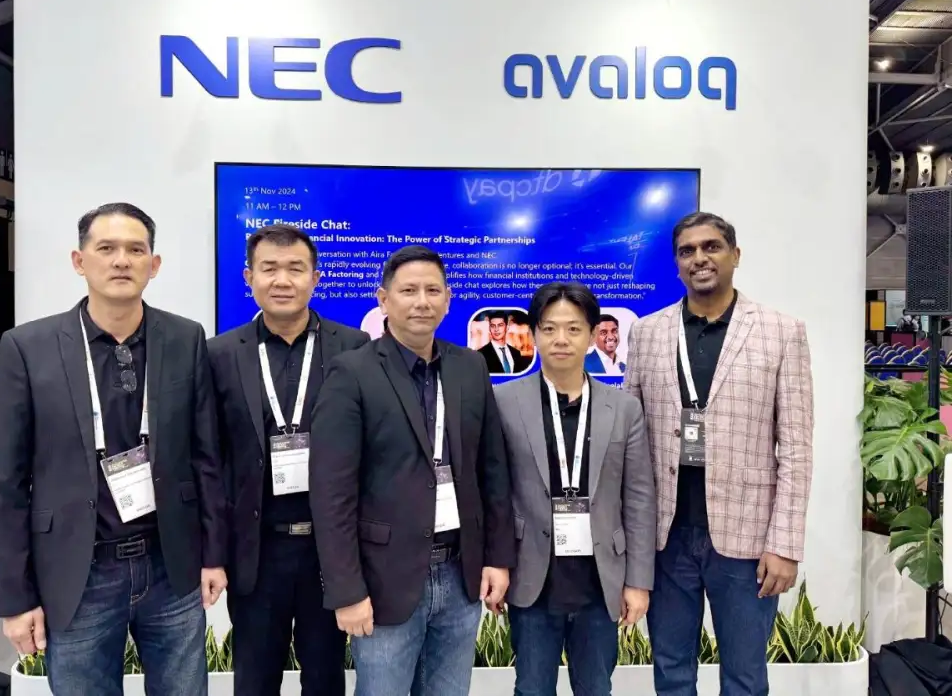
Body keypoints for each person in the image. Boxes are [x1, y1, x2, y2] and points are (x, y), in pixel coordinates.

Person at [0, 203, 228, 696]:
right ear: (80, 261)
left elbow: (207, 457)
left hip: (171, 567)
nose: (121, 260)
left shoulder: (185, 338)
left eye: (136, 250)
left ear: (153, 265)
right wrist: (16, 596)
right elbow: (6, 482)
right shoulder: (27, 347)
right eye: (107, 248)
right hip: (78, 573)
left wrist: (214, 555)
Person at [309, 245, 515, 696]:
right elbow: (331, 493)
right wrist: (346, 591)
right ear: (384, 300)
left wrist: (498, 558)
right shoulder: (352, 372)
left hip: (460, 575)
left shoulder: (470, 367)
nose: (422, 301)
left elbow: (492, 471)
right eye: (408, 291)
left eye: (432, 291)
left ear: (448, 299)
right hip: (385, 580)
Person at [624, 211, 813, 696]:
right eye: (687, 251)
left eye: (711, 246)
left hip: (748, 541)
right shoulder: (647, 333)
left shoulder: (781, 331)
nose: (699, 258)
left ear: (735, 255)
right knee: (671, 672)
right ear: (676, 263)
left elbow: (796, 448)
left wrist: (785, 544)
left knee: (745, 677)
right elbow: (631, 441)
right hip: (666, 538)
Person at [207, 224, 369, 696]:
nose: (282, 280)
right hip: (256, 552)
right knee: (254, 680)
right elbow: (209, 460)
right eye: (269, 269)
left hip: (329, 550)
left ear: (315, 278)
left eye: (295, 269)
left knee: (326, 679)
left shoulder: (354, 347)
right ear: (248, 278)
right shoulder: (219, 354)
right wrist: (213, 554)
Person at [495, 281, 655, 696]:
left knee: (596, 688)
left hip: (601, 580)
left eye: (573, 329)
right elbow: (493, 492)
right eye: (549, 329)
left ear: (591, 335)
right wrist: (494, 565)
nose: (561, 339)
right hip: (532, 578)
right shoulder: (503, 401)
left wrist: (638, 582)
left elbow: (639, 499)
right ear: (533, 335)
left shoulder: (623, 408)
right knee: (531, 688)